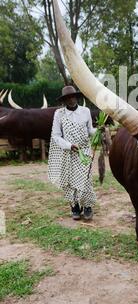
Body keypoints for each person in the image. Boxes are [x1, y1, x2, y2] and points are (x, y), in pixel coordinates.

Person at [48, 85, 97, 221]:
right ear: (64, 100)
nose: (71, 100)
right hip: (68, 152)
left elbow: (90, 130)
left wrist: (98, 131)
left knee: (85, 179)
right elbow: (56, 136)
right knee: (70, 181)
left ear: (76, 97)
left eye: (73, 96)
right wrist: (69, 145)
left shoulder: (86, 111)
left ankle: (87, 206)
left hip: (84, 151)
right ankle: (75, 207)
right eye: (67, 98)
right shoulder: (59, 114)